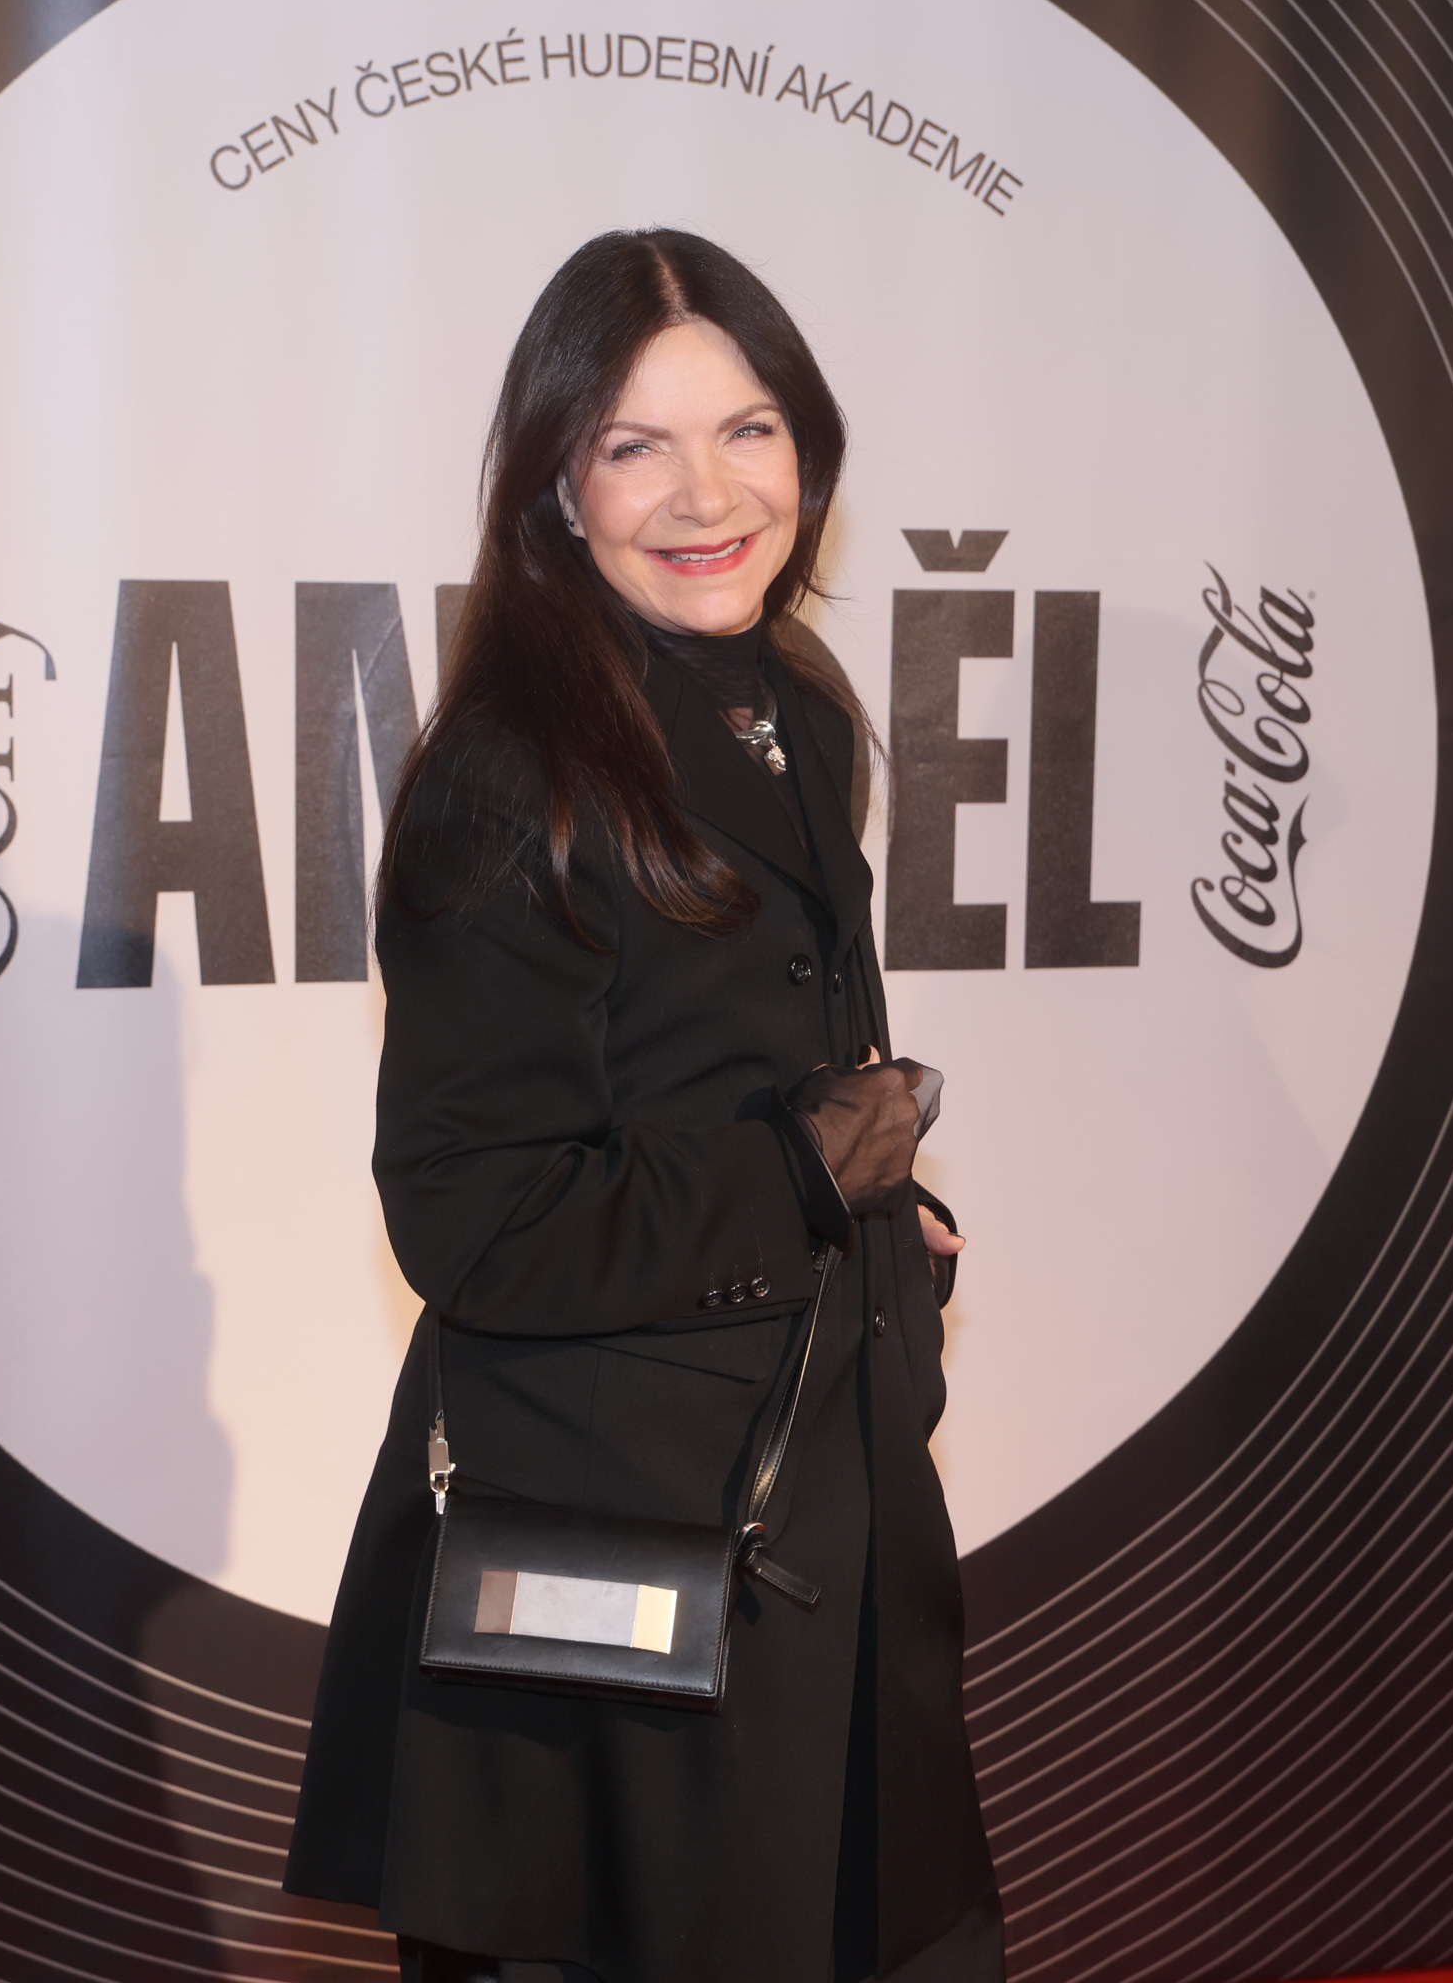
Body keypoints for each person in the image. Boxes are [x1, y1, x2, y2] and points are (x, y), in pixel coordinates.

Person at [285, 228, 1002, 1983]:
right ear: (557, 486)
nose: (709, 495)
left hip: (819, 1512)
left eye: (750, 430)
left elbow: (741, 1060)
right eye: (636, 446)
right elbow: (477, 1220)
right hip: (623, 1582)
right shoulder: (510, 775)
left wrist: (883, 1224)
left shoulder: (795, 707)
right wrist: (801, 1173)